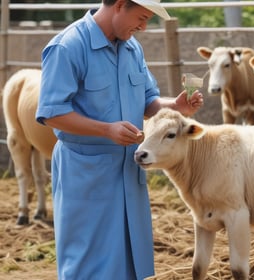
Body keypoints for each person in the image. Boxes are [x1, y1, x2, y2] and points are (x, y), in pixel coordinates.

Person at [35, 0, 204, 279]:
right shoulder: (67, 47)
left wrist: (176, 105)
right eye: (141, 17)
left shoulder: (132, 47)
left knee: (132, 255)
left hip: (128, 168)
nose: (143, 26)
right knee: (88, 257)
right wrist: (106, 130)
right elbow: (52, 113)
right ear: (120, 5)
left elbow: (148, 101)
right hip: (86, 173)